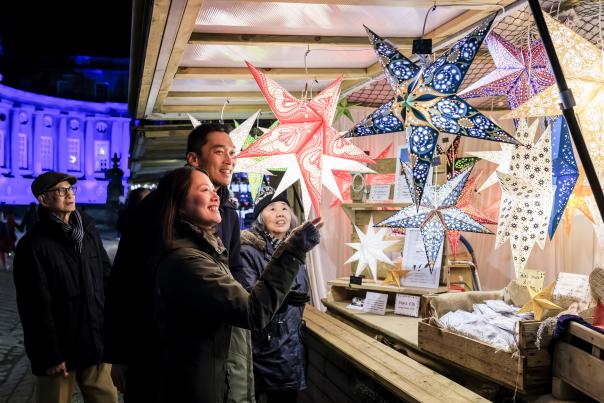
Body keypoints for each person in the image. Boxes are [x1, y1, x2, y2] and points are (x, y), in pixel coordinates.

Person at [151, 167, 322, 403]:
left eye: (214, 190)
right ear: (178, 205)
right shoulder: (187, 262)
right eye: (204, 190)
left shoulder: (208, 252)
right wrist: (292, 250)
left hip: (227, 380)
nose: (216, 196)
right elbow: (251, 312)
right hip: (204, 389)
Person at [104, 123, 246, 402]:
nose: (230, 160)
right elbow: (123, 281)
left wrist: (237, 301)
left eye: (232, 152)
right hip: (155, 348)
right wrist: (119, 355)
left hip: (209, 349)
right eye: (220, 152)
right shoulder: (153, 210)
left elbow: (236, 268)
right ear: (193, 159)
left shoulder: (228, 212)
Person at [13, 171, 117, 403]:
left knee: (107, 398)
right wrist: (48, 354)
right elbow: (33, 306)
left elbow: (106, 278)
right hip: (60, 348)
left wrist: (111, 330)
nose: (69, 195)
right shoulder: (32, 245)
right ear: (43, 199)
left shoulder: (88, 232)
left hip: (95, 339)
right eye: (61, 191)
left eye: (70, 190)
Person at [239, 186, 310, 403]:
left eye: (284, 208)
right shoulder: (248, 251)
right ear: (260, 217)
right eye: (272, 209)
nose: (280, 214)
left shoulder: (294, 249)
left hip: (291, 345)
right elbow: (249, 299)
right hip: (265, 348)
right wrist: (285, 298)